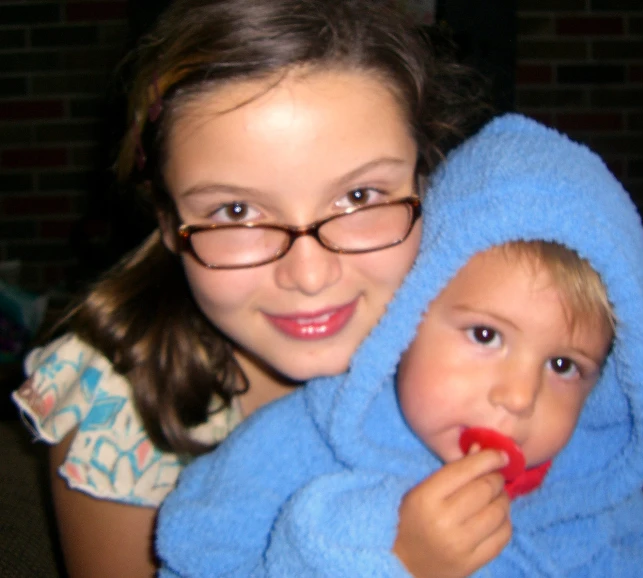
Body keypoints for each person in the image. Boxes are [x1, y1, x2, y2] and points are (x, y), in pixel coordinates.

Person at [10, 1, 492, 576]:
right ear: (166, 221)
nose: (310, 276)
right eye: (236, 210)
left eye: (360, 197)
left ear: (426, 179)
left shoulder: (486, 337)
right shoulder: (118, 407)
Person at [156, 114, 643, 578]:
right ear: (409, 313)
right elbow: (199, 559)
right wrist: (397, 564)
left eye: (563, 364)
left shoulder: (599, 494)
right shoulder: (294, 446)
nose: (518, 397)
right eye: (485, 335)